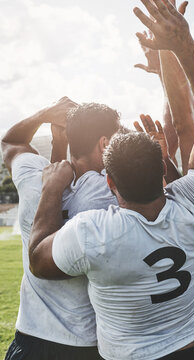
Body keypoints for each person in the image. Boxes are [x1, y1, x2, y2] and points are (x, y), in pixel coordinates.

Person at [27, 1, 194, 359]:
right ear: (163, 170)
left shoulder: (93, 233)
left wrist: (51, 189)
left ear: (110, 184)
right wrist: (178, 44)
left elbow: (37, 260)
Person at [1, 97, 120, 360]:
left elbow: (10, 142)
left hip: (30, 340)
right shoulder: (114, 193)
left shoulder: (36, 177)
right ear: (104, 143)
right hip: (87, 345)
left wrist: (45, 115)